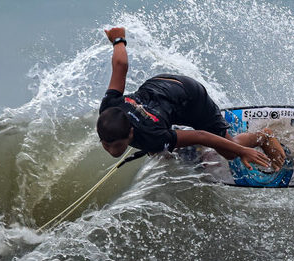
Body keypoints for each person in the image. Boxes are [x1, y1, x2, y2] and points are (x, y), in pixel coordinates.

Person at [97, 26, 284, 171]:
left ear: (130, 132)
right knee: (157, 146)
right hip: (162, 85)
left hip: (191, 98)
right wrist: (118, 39)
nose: (113, 152)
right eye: (106, 145)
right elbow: (120, 64)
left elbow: (200, 135)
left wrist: (242, 151)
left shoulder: (151, 134)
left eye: (119, 145)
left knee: (229, 151)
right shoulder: (108, 109)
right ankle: (177, 139)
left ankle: (263, 137)